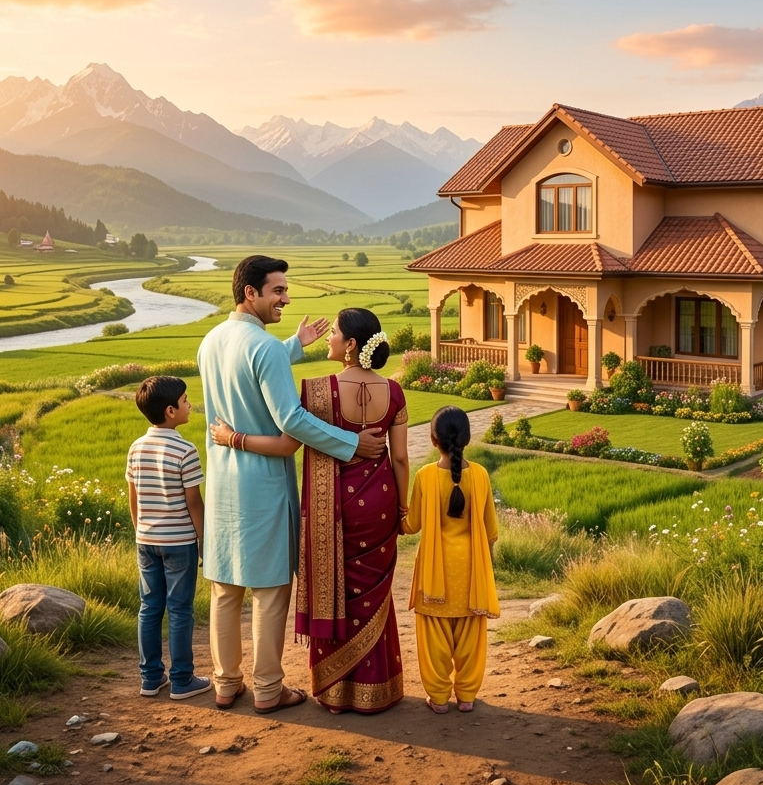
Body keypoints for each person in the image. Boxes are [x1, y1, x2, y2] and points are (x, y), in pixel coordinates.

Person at [198, 255, 386, 713]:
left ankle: (226, 684)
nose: (286, 297)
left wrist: (295, 345)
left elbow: (250, 365)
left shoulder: (212, 340)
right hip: (262, 486)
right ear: (251, 293)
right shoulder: (261, 347)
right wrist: (351, 443)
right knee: (268, 591)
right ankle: (267, 689)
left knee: (225, 590)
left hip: (223, 483)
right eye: (278, 291)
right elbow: (291, 419)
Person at [402, 405, 500, 714]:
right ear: (467, 439)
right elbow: (491, 532)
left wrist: (396, 515)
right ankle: (467, 697)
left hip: (436, 573)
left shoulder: (425, 476)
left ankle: (439, 698)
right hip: (471, 572)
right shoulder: (481, 475)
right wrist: (488, 573)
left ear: (433, 440)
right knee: (471, 638)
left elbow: (411, 525)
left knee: (435, 639)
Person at [126, 375, 211, 700]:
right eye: (186, 400)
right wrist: (203, 540)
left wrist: (140, 531)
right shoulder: (185, 450)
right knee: (179, 610)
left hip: (146, 540)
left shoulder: (137, 447)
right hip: (179, 543)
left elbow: (133, 497)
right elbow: (193, 502)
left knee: (149, 608)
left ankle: (150, 679)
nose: (190, 404)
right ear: (171, 410)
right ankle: (181, 680)